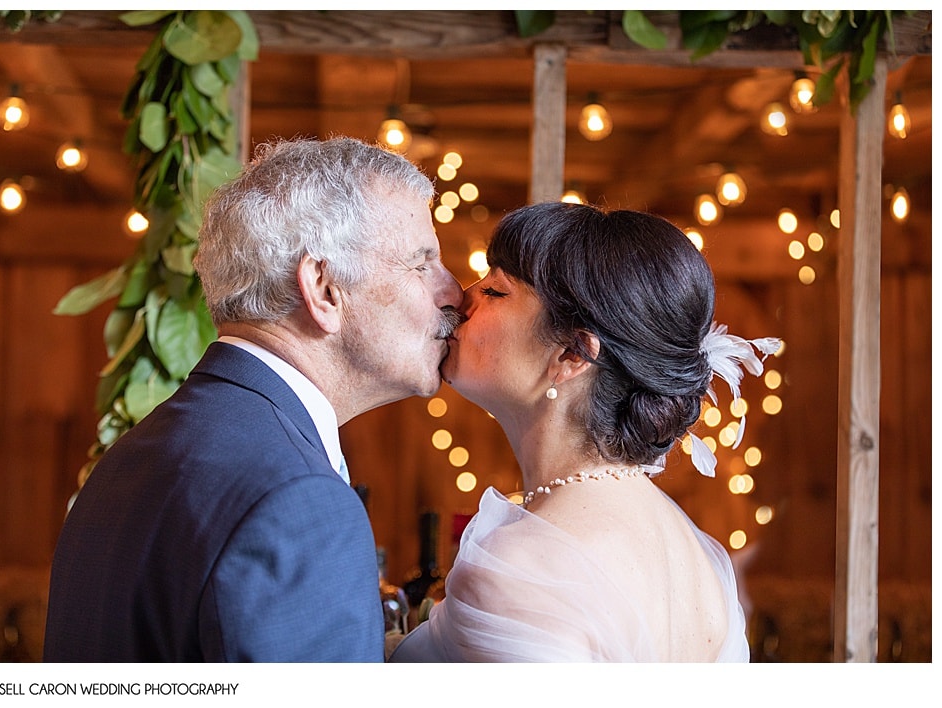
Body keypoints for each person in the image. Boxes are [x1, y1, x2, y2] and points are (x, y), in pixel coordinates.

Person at [43, 136, 464, 662]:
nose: (455, 293)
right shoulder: (300, 500)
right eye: (422, 264)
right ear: (325, 288)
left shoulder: (132, 456)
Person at [389, 202, 781, 662]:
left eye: (495, 291)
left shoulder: (524, 569)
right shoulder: (702, 565)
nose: (462, 297)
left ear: (572, 354)